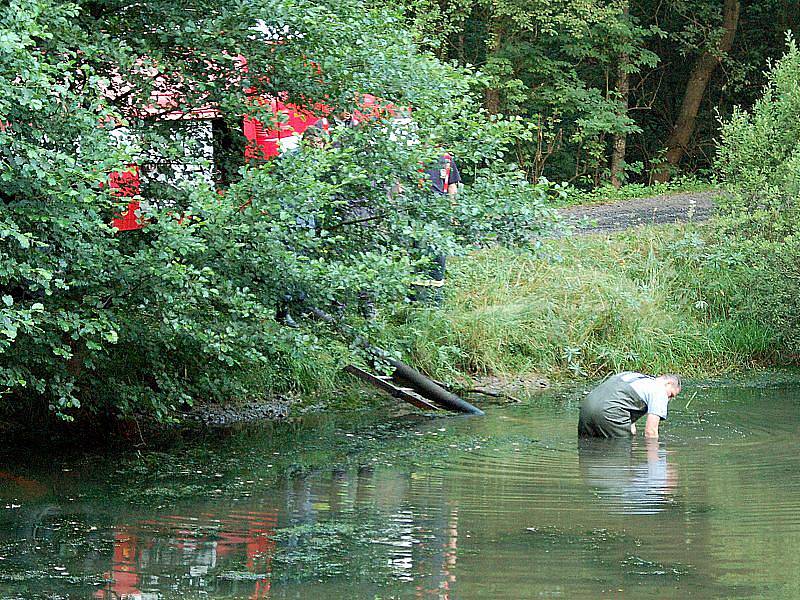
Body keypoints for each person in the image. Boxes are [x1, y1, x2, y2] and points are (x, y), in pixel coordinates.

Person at [578, 372, 681, 439]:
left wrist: (631, 433)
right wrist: (656, 464)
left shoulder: (633, 376)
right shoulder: (659, 390)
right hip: (609, 412)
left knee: (586, 445)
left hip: (586, 408)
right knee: (621, 449)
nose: (668, 399)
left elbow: (624, 402)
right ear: (668, 383)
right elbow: (651, 431)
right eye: (671, 395)